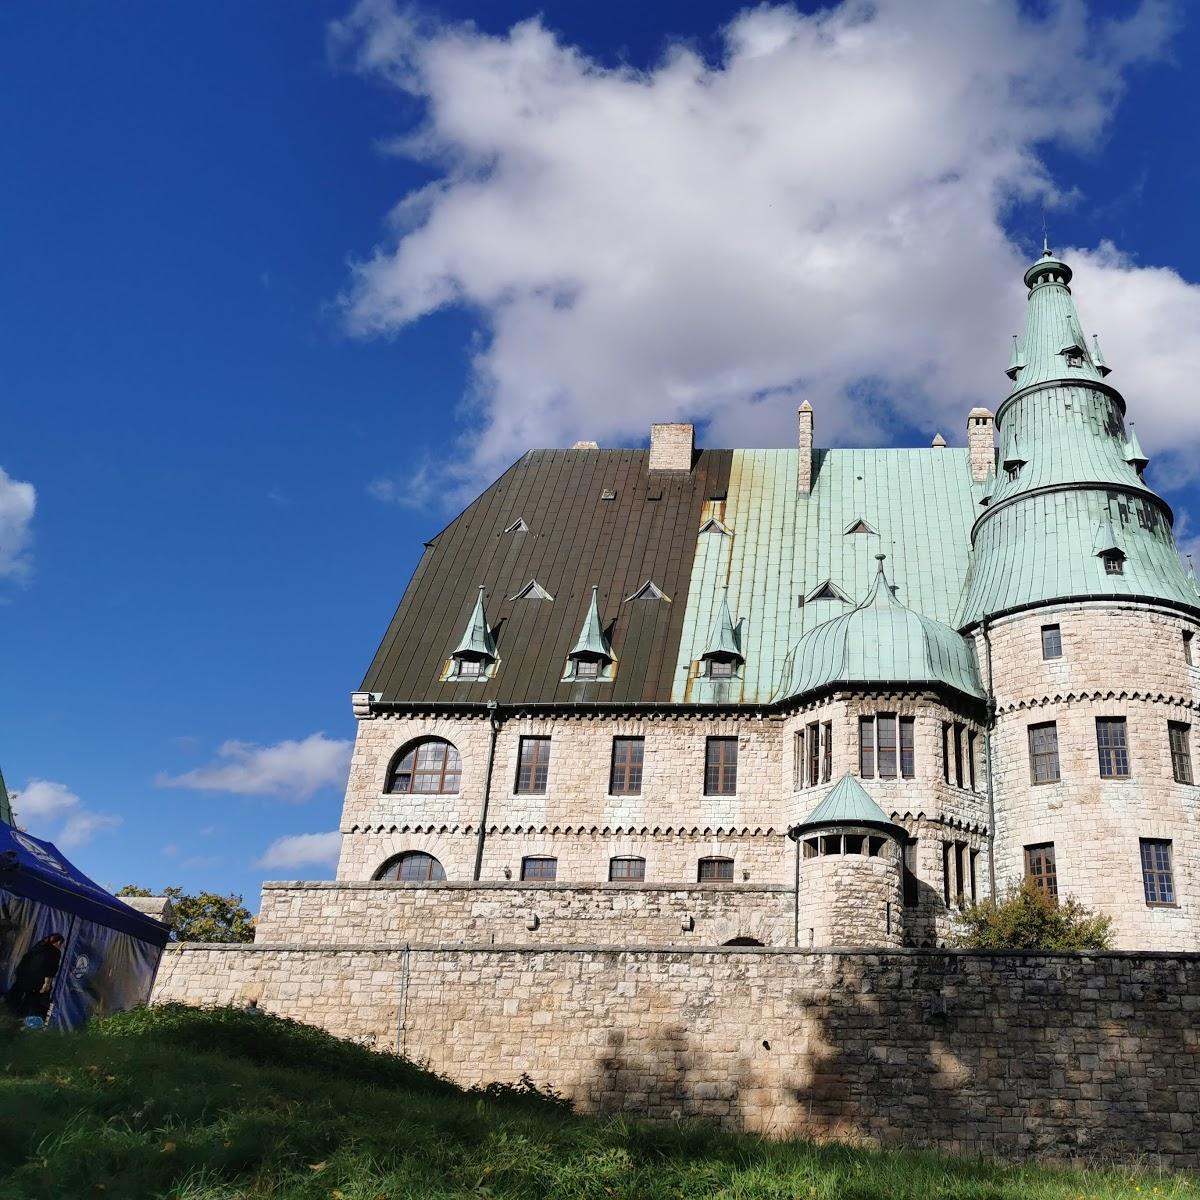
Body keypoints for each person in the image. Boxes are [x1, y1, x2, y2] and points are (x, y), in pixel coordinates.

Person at [3, 933, 65, 1020]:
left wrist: (20, 974)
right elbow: (51, 969)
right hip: (37, 981)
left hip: (24, 976)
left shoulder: (39, 946)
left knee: (18, 996)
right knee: (36, 1001)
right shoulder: (55, 952)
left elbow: (25, 959)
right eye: (61, 944)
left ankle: (12, 1012)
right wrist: (47, 984)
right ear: (58, 942)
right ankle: (33, 1017)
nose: (61, 947)